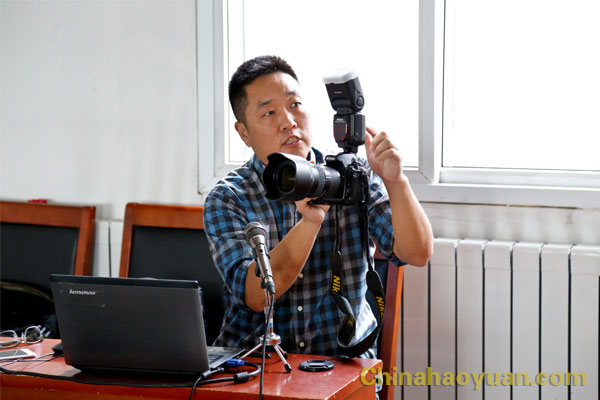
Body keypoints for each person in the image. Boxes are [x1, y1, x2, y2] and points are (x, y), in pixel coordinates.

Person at [203, 55, 433, 358]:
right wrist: (310, 222)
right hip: (255, 366)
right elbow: (257, 295)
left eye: (295, 104)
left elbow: (417, 253)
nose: (289, 121)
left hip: (343, 362)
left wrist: (396, 181)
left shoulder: (352, 175)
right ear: (244, 132)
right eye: (269, 112)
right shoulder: (228, 197)